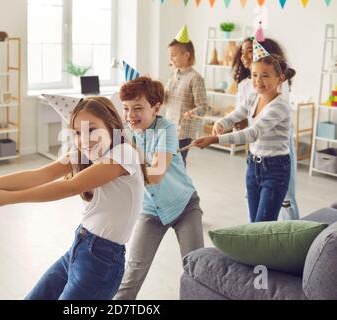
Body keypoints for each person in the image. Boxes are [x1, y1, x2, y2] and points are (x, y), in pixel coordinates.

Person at [0, 96, 146, 300]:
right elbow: (39, 175)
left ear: (111, 125)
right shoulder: (86, 154)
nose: (84, 140)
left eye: (91, 129)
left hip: (102, 261)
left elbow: (71, 186)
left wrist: (7, 198)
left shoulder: (124, 153)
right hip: (81, 246)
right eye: (77, 133)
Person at [114, 77, 204, 300]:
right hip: (150, 211)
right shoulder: (123, 133)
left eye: (137, 108)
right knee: (132, 274)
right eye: (125, 108)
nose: (130, 115)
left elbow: (156, 174)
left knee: (195, 268)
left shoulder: (167, 128)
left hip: (185, 206)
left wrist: (119, 173)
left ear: (155, 108)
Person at [192, 47, 295, 223]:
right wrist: (221, 123)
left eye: (265, 75)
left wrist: (215, 139)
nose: (258, 80)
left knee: (261, 226)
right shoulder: (253, 98)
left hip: (275, 169)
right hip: (253, 165)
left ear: (280, 78)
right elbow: (236, 114)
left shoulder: (280, 107)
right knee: (253, 222)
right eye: (254, 75)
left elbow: (253, 134)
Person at [232, 26, 299, 221]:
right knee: (254, 197)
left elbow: (273, 108)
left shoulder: (278, 81)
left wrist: (220, 136)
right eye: (242, 51)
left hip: (278, 144)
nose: (244, 55)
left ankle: (293, 231)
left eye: (249, 50)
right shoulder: (245, 83)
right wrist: (238, 121)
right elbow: (242, 111)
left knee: (287, 199)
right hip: (256, 148)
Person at [164, 25, 209, 165]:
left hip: (183, 131)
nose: (171, 58)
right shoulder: (173, 75)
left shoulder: (195, 78)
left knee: (178, 164)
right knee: (167, 164)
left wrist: (191, 112)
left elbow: (203, 107)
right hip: (169, 126)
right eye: (170, 55)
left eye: (174, 55)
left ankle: (182, 187)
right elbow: (166, 98)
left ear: (186, 55)